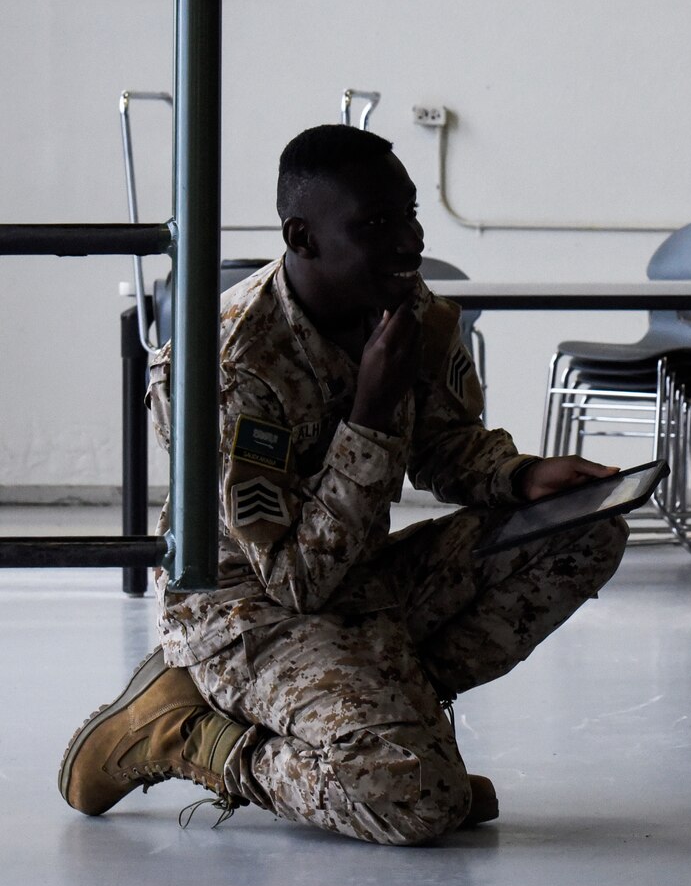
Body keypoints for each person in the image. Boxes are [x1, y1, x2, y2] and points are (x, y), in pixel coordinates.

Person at [59, 124, 629, 845]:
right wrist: (368, 414)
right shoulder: (229, 365)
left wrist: (518, 474)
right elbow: (297, 582)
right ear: (302, 237)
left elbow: (444, 447)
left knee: (586, 527)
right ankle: (188, 731)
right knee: (416, 802)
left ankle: (397, 729)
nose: (409, 242)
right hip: (247, 615)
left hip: (359, 580)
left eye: (411, 215)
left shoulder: (405, 303)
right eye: (376, 225)